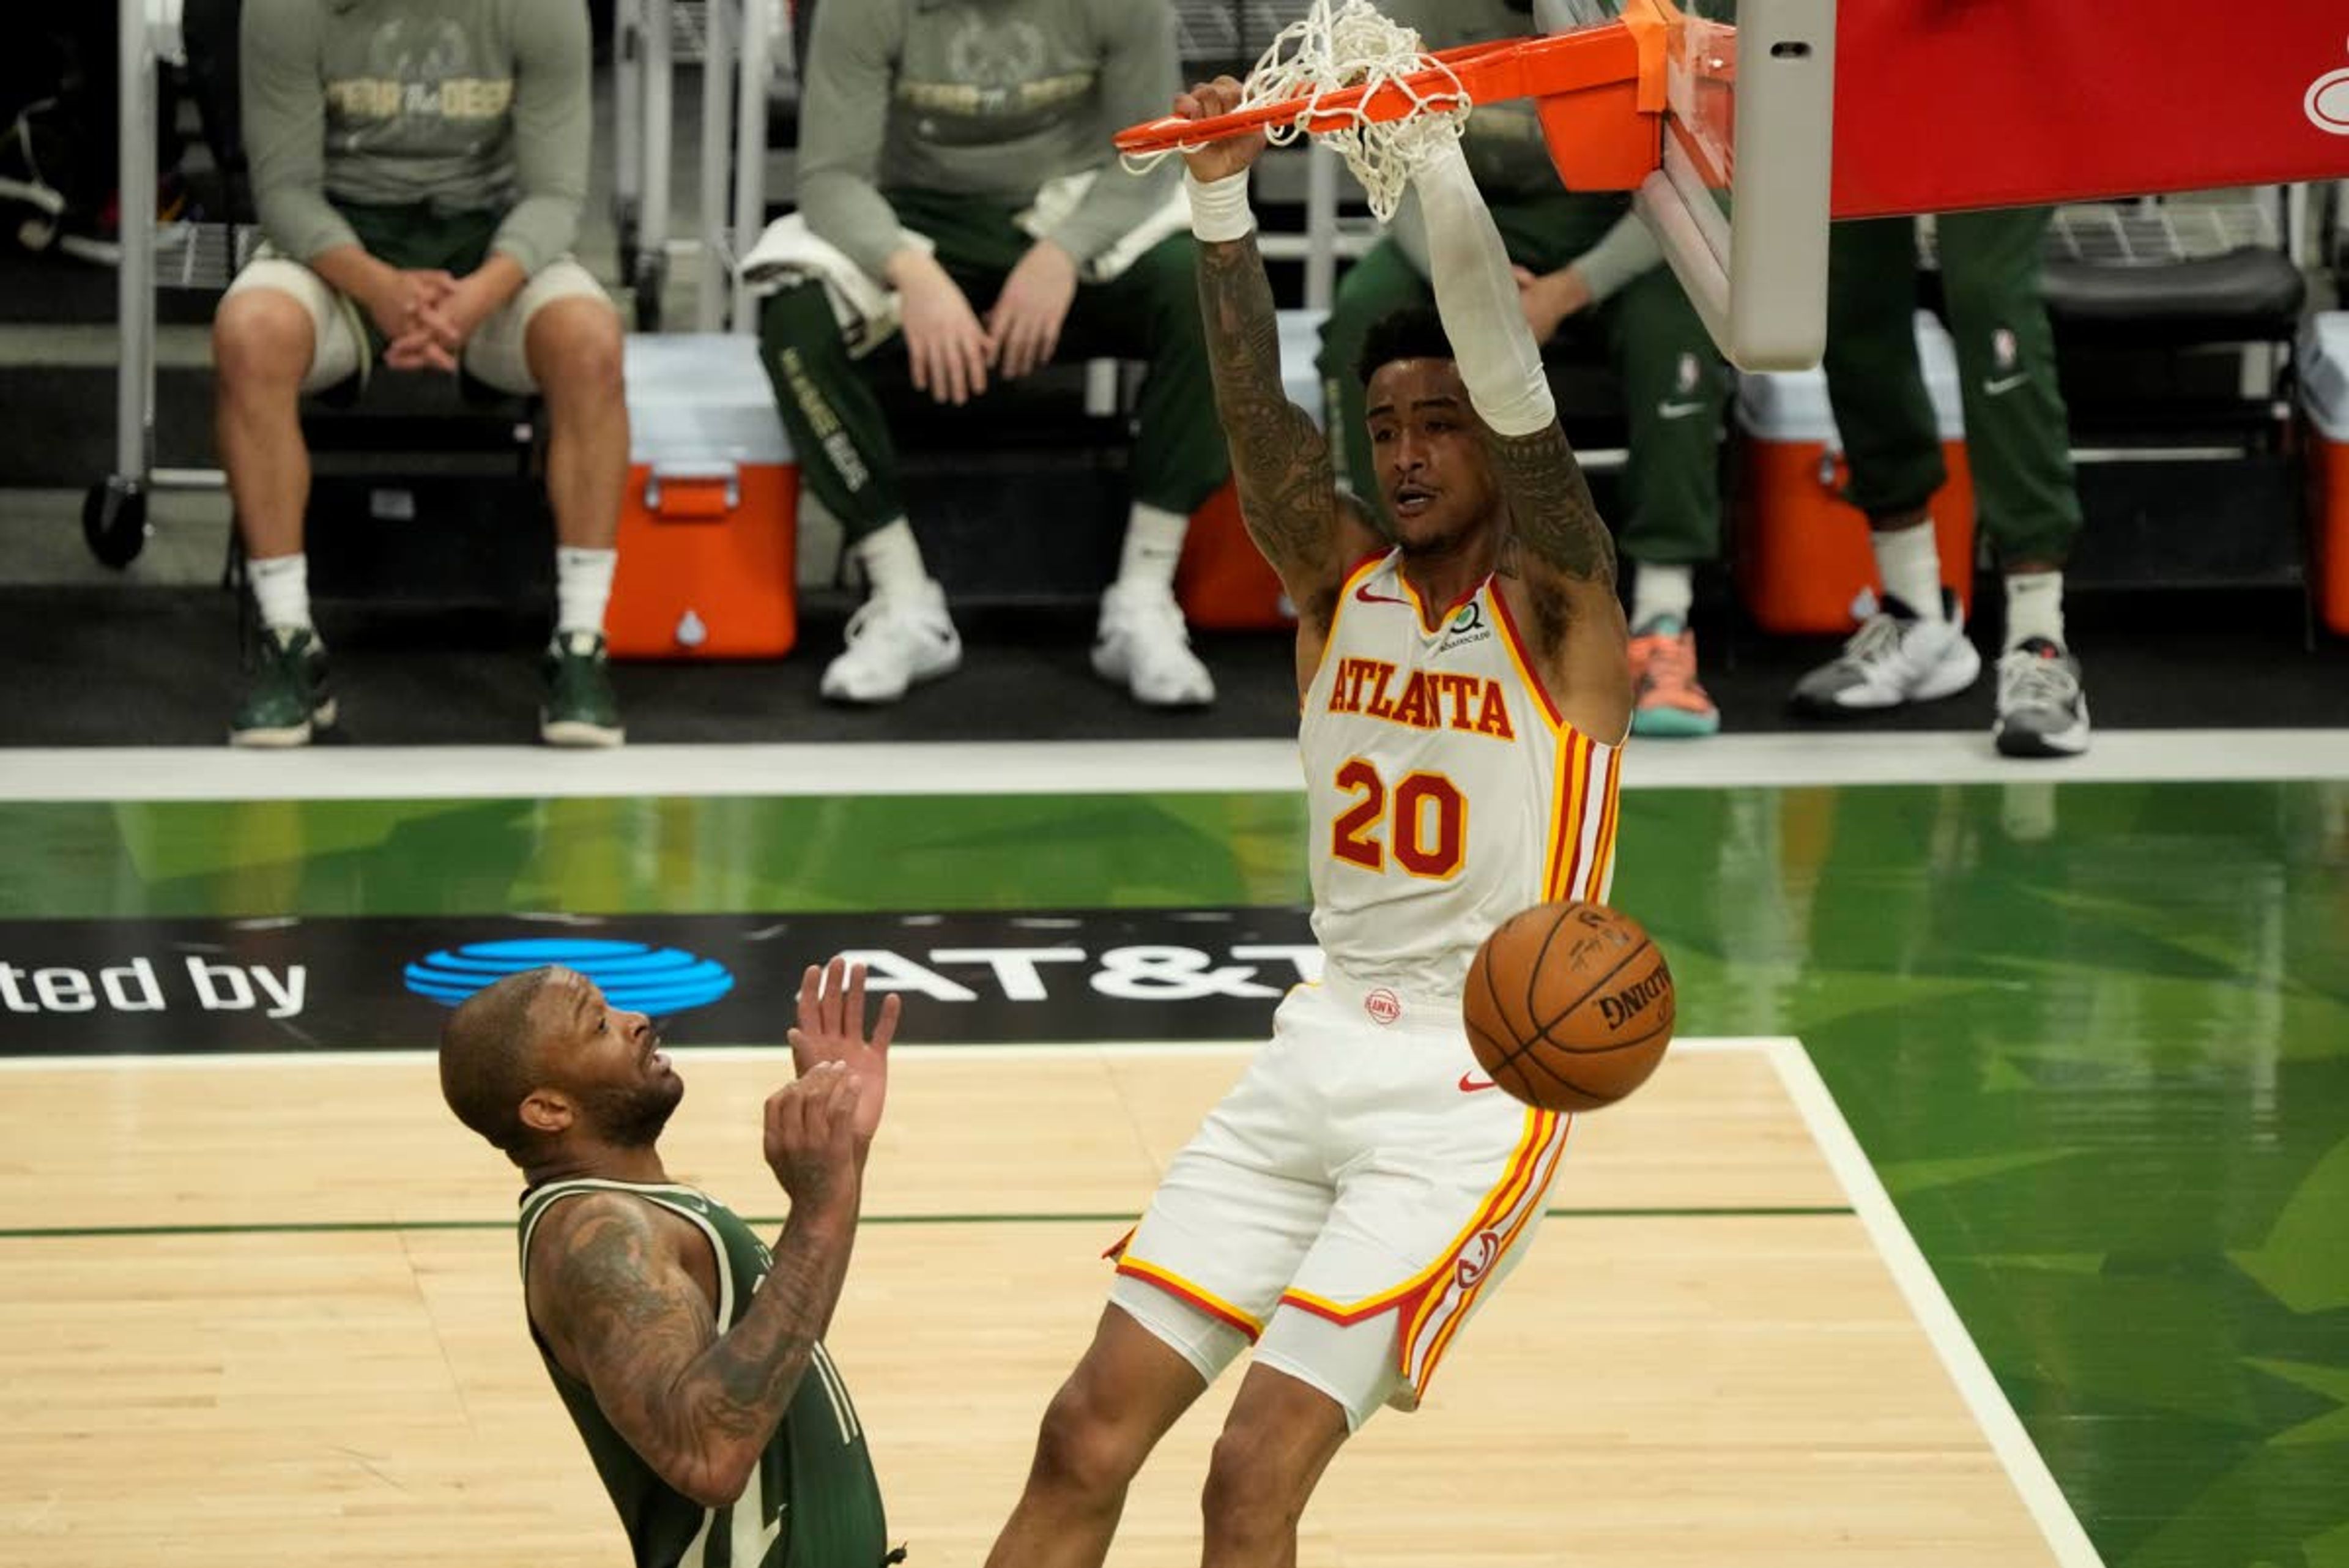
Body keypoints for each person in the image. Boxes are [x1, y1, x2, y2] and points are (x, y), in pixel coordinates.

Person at [984, 78, 1630, 1568]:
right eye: (1384, 428)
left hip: (1472, 1090)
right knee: (1083, 1429)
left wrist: (1438, 180)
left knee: (1248, 1472)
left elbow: (1517, 403)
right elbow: (1255, 424)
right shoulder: (1340, 585)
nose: (1405, 453)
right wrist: (1221, 202)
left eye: (1438, 428)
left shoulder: (1557, 603)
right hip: (1315, 1046)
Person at [762, 0, 1231, 708]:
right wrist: (909, 272)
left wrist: (1062, 253)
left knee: (1210, 290)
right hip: (913, 213)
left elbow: (1152, 155)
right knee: (795, 319)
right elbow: (831, 180)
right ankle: (901, 598)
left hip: (1069, 208)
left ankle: (1143, 596)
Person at [217, 0, 627, 748]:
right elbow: (285, 194)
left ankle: (581, 643)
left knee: (590, 341)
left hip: (490, 248)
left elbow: (555, 195)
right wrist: (379, 287)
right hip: (338, 250)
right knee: (250, 335)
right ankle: (287, 641)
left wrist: (477, 295)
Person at [1318, 0, 1727, 739]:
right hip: (1462, 216)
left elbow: (1698, 166)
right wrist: (1470, 273)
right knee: (1362, 313)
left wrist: (1573, 289)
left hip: (1622, 224)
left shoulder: (1648, 6)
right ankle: (1390, 604)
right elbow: (1390, 162)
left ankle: (1665, 617)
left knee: (1685, 323)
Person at [438, 957, 904, 1567]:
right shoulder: (599, 1235)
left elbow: (779, 1355)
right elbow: (708, 1453)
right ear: (549, 1109)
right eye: (599, 1026)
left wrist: (844, 1157)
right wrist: (817, 1207)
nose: (636, 1021)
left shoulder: (632, 1211)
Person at [1789, 208, 2092, 757]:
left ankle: (2039, 637)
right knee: (1849, 292)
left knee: (1990, 293)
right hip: (1862, 119)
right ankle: (1916, 613)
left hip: (1998, 121)